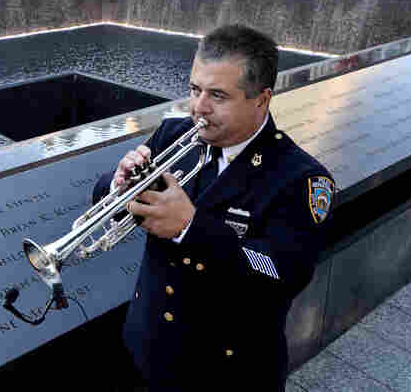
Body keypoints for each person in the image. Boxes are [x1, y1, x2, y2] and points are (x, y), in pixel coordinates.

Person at [93, 25, 334, 392]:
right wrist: (119, 186)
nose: (198, 107)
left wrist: (191, 227)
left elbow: (284, 274)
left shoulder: (301, 180)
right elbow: (113, 206)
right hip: (145, 347)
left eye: (218, 95)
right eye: (194, 89)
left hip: (225, 371)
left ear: (261, 99)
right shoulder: (172, 134)